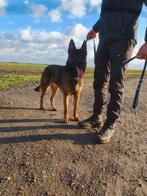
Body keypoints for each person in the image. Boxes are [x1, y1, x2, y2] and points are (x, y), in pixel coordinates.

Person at [78, 0, 147, 144]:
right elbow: (108, 12)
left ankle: (110, 123)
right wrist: (95, 29)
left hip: (124, 38)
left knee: (116, 83)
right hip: (104, 38)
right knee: (99, 79)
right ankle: (97, 116)